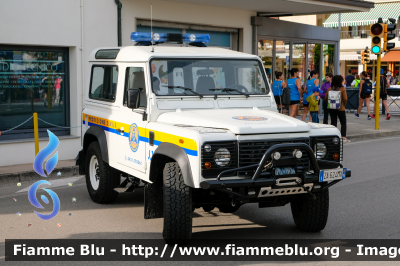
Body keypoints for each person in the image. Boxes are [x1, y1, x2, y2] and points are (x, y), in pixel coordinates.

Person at [324, 75, 349, 143]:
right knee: (343, 123)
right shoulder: (342, 88)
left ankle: (333, 137)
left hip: (332, 108)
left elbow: (326, 98)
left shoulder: (330, 88)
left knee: (333, 122)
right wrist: (343, 104)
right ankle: (343, 137)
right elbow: (345, 98)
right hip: (340, 109)